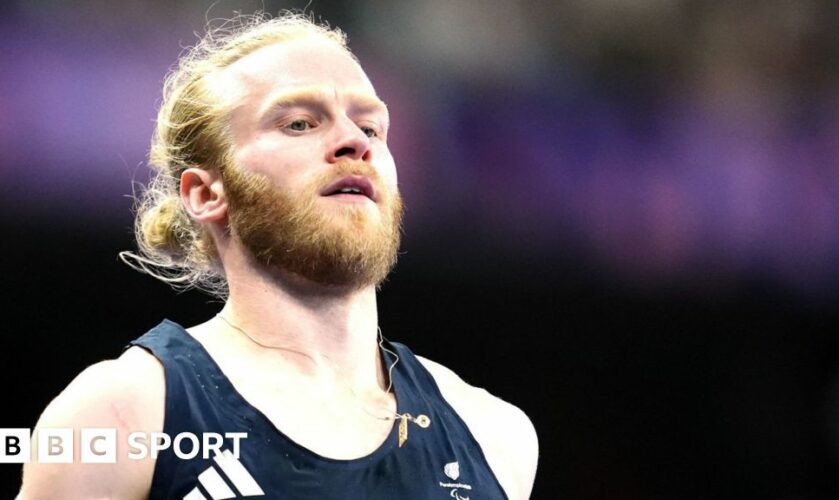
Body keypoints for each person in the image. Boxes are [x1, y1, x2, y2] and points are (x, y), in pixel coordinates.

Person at [18, 12, 538, 499]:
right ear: (205, 193)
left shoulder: (494, 437)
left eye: (371, 127)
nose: (353, 143)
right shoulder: (122, 415)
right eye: (299, 123)